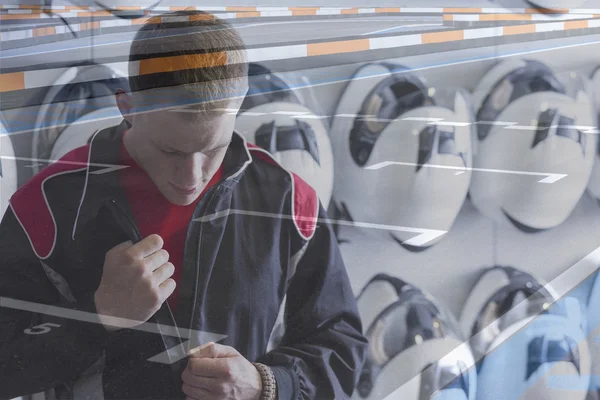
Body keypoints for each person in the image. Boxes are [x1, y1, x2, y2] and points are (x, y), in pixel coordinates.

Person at [0, 10, 368, 400]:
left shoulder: (289, 201)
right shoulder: (46, 206)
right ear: (127, 107)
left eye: (213, 149)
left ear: (238, 104)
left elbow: (342, 349)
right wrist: (97, 317)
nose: (190, 178)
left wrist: (266, 383)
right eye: (170, 150)